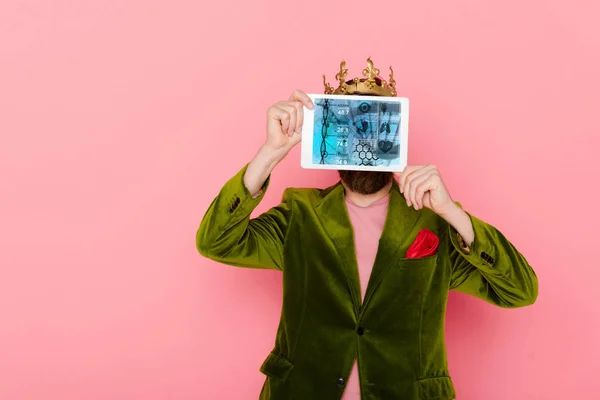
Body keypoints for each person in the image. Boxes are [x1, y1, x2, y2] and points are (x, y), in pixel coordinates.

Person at [196, 58, 538, 400]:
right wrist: (269, 154)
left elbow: (520, 290)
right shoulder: (299, 214)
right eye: (352, 129)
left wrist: (452, 212)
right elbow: (215, 242)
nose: (364, 146)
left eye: (374, 128)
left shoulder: (434, 220)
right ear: (331, 136)